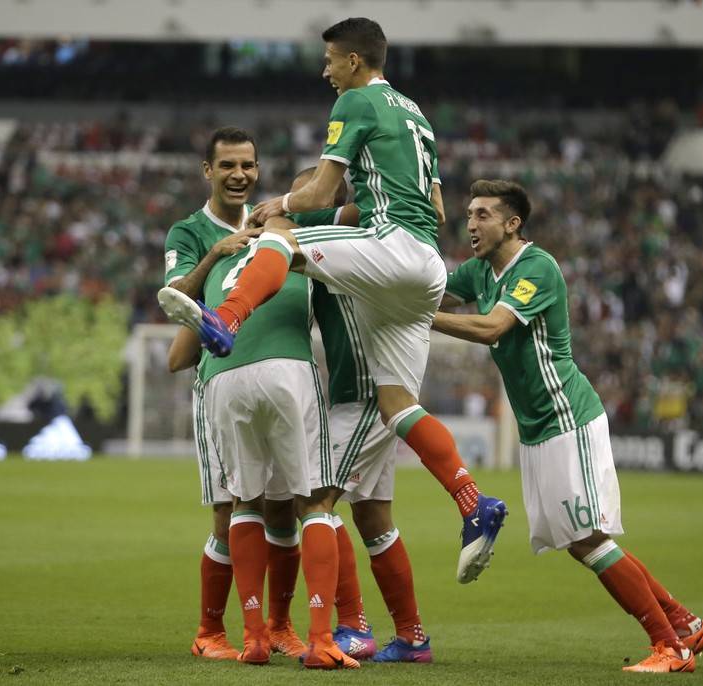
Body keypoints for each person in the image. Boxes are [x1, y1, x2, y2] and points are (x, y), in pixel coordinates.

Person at [157, 17, 507, 584]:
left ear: (353, 61)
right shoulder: (417, 115)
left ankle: (226, 318)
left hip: (390, 245)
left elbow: (319, 190)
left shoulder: (355, 102)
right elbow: (439, 208)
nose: (326, 72)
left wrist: (278, 205)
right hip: (426, 264)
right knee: (398, 404)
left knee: (280, 240)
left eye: (329, 61)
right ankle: (472, 502)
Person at [432, 180, 703, 674]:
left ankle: (671, 647)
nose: (471, 224)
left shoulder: (537, 267)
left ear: (512, 223)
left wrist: (422, 319)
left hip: (567, 417)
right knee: (581, 541)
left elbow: (492, 327)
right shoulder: (478, 271)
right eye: (469, 214)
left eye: (483, 215)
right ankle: (683, 622)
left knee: (588, 538)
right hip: (537, 430)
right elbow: (430, 292)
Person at [162, 221, 360, 670]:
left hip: (222, 375)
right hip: (287, 369)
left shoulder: (224, 260)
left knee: (244, 502)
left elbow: (177, 356)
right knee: (314, 503)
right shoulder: (301, 250)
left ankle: (254, 638)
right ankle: (321, 640)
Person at [162, 127, 305, 661]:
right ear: (208, 171)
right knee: (230, 510)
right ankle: (209, 632)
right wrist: (212, 256)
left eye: (247, 165)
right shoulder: (189, 231)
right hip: (222, 382)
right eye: (227, 165)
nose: (239, 174)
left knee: (284, 506)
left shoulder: (273, 222)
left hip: (278, 374)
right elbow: (172, 297)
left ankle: (280, 626)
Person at [289, 168, 432, 662]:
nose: (296, 207)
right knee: (373, 517)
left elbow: (283, 236)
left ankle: (352, 626)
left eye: (305, 198)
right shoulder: (354, 243)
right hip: (371, 388)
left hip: (365, 392)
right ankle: (412, 637)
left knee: (314, 500)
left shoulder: (344, 239)